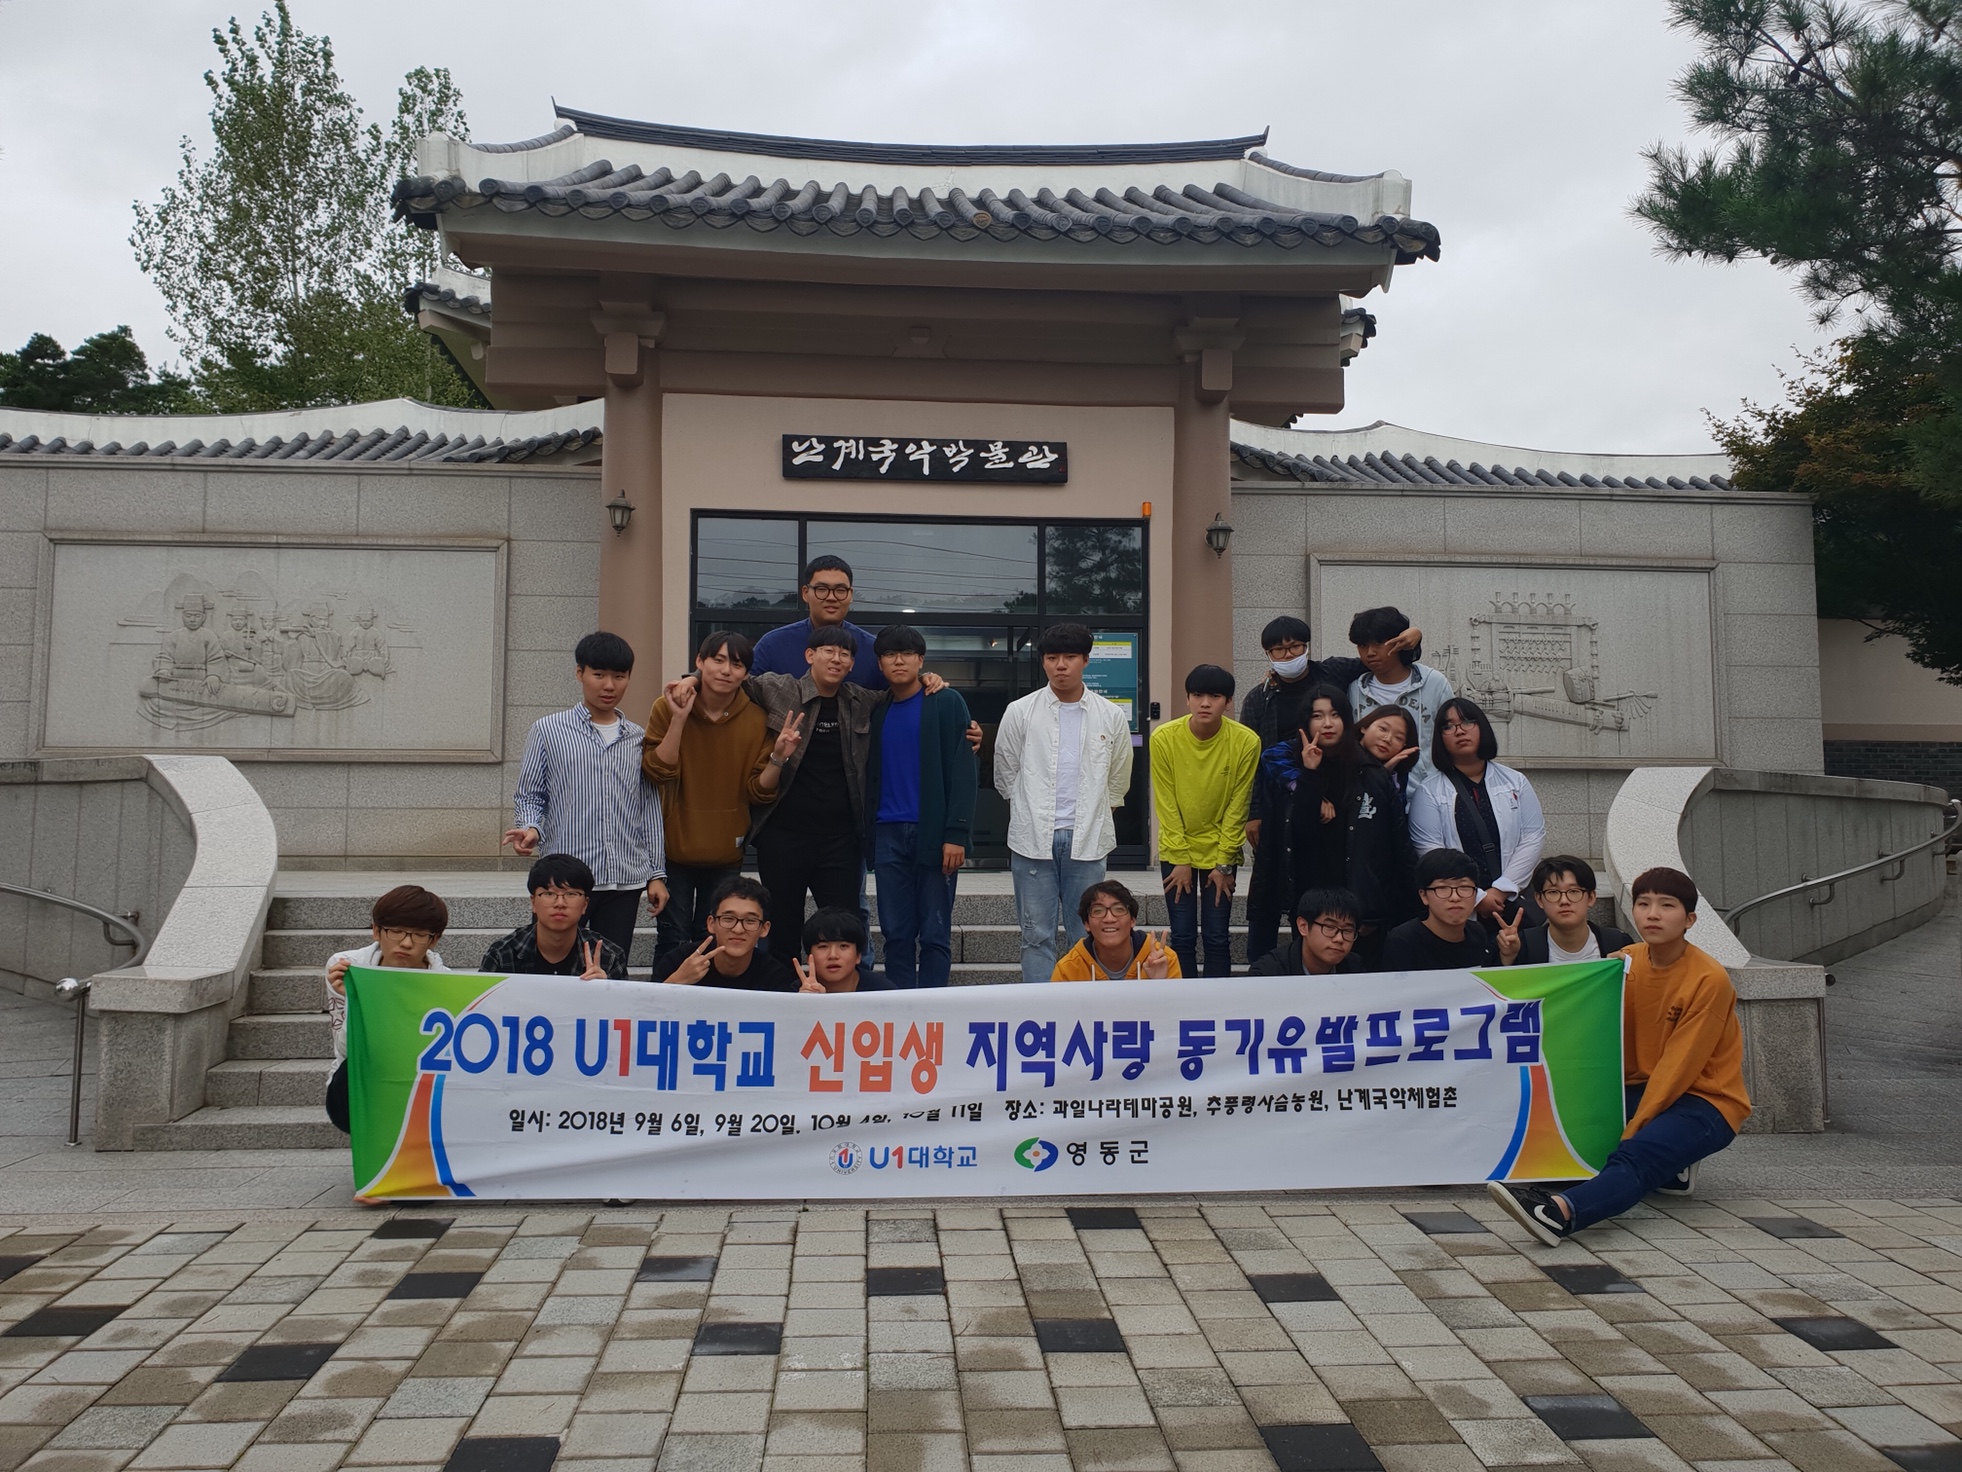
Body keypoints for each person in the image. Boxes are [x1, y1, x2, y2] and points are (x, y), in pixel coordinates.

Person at [1489, 866, 1750, 1243]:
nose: (1653, 914)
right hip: (1640, 1087)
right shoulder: (1626, 961)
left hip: (1706, 1100)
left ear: (1690, 920)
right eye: (1643, 904)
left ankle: (1559, 1214)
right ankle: (1673, 1166)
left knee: (1634, 1155)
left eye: (1667, 905)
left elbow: (1677, 1069)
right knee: (1574, 1135)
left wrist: (1635, 1129)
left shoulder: (1709, 980)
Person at [1241, 614, 1420, 964]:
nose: (1287, 655)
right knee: (1274, 893)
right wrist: (1264, 807)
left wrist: (1414, 639)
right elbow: (1258, 760)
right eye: (1278, 650)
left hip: (1335, 802)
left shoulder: (1332, 673)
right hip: (1284, 797)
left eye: (1294, 647)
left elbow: (1379, 658)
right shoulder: (1260, 697)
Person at [504, 631, 669, 961]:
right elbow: (530, 794)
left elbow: (649, 809)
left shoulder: (638, 738)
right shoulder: (548, 730)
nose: (609, 685)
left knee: (611, 967)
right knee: (551, 963)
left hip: (624, 878)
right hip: (564, 881)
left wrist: (656, 874)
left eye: (619, 676)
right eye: (599, 674)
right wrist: (531, 828)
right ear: (579, 673)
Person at [995, 623, 1136, 984]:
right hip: (1032, 839)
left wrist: (1095, 815)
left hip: (1087, 839)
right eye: (1052, 657)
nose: (1060, 665)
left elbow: (1118, 778)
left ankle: (1084, 1006)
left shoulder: (1110, 715)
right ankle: (1041, 1008)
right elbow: (1005, 772)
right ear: (1042, 661)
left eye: (1070, 657)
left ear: (1086, 660)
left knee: (1087, 934)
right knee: (1035, 935)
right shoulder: (1020, 711)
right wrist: (1028, 811)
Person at [642, 632, 799, 956]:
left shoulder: (756, 719)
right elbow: (656, 771)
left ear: (746, 674)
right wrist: (679, 719)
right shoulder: (667, 706)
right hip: (673, 849)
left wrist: (778, 758)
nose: (727, 670)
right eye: (718, 660)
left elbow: (758, 792)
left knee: (715, 940)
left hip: (727, 852)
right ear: (699, 662)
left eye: (737, 664)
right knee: (672, 939)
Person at [744, 626, 878, 963]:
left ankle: (839, 994)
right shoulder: (779, 688)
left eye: (844, 654)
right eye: (828, 651)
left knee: (842, 930)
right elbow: (730, 680)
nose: (836, 659)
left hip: (840, 841)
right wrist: (690, 681)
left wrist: (931, 682)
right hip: (783, 837)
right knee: (782, 930)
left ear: (851, 664)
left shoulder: (860, 701)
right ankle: (784, 991)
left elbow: (904, 696)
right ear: (809, 655)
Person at [867, 625, 977, 989]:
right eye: (889, 654)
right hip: (887, 833)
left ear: (921, 660)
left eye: (907, 654)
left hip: (934, 831)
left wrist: (956, 833)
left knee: (934, 932)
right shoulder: (877, 708)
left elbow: (963, 769)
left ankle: (933, 1009)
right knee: (895, 931)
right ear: (880, 663)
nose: (898, 661)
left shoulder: (946, 702)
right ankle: (898, 1007)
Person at [1288, 688, 1417, 970]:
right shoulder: (1292, 765)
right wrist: (1309, 776)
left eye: (1335, 715)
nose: (1327, 723)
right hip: (1315, 911)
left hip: (1365, 916)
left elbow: (1397, 847)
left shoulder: (1374, 774)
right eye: (1318, 716)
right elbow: (1297, 836)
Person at [1151, 664, 1260, 979]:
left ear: (1228, 702)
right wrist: (1180, 858)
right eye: (1198, 695)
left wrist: (1224, 861)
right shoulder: (1163, 738)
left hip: (1221, 851)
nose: (1205, 703)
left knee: (1216, 936)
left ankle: (1217, 1002)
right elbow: (1166, 802)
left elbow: (1238, 804)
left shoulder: (1246, 741)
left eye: (1215, 696)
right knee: (1182, 935)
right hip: (1177, 849)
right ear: (1187, 698)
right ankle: (1184, 1000)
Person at [1408, 697, 1546, 928]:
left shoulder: (1516, 781)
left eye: (1467, 721)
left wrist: (1501, 890)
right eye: (1448, 726)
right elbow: (1430, 850)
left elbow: (1533, 837)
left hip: (1511, 903)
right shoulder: (1429, 791)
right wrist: (1477, 897)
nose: (1459, 730)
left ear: (1482, 726)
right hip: (1458, 908)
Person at [323, 885, 451, 1134]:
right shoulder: (348, 967)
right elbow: (346, 1050)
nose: (406, 942)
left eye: (419, 935)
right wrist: (355, 1000)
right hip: (364, 1073)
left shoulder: (445, 982)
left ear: (434, 940)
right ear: (376, 931)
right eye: (396, 931)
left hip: (418, 1077)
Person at [1346, 607, 1456, 785]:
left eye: (1379, 643)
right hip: (1371, 790)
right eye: (1362, 645)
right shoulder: (1354, 689)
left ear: (1400, 642)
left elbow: (1452, 733)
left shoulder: (1433, 683)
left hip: (1426, 789)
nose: (1370, 652)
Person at [480, 854, 627, 980]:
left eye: (571, 894)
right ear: (533, 902)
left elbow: (623, 1004)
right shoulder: (503, 953)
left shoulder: (609, 957)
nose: (560, 903)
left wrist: (605, 990)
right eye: (549, 894)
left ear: (585, 905)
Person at [750, 554, 885, 689]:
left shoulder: (873, 650)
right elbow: (745, 691)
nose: (831, 597)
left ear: (850, 595)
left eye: (840, 590)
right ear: (805, 593)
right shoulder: (773, 645)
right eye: (821, 589)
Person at [651, 876, 800, 992]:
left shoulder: (774, 976)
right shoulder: (678, 962)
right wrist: (676, 981)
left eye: (750, 921)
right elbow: (646, 1010)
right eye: (728, 919)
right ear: (711, 923)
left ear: (764, 929)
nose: (738, 929)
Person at [1381, 849, 1518, 971]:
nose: (1455, 897)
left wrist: (1507, 956)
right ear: (1424, 896)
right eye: (1442, 888)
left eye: (1464, 887)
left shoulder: (1477, 933)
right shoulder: (1403, 941)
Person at [1512, 856, 1633, 965]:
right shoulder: (1523, 946)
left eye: (1574, 891)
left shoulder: (1619, 943)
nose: (1564, 901)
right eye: (1553, 892)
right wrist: (1508, 958)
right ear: (1539, 899)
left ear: (1591, 898)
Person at [1052, 881, 1180, 981]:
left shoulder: (1163, 960)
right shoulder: (1068, 969)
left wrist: (1159, 985)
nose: (1109, 919)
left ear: (1132, 920)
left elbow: (1177, 1006)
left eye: (1119, 910)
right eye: (1098, 911)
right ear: (1087, 924)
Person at [1248, 887, 1367, 976]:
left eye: (1347, 930)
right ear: (1303, 926)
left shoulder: (1354, 968)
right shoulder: (1268, 973)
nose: (1339, 939)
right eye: (1330, 927)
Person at [793, 908, 897, 993]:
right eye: (823, 947)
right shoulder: (796, 994)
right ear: (809, 957)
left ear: (858, 956)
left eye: (843, 946)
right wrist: (805, 1004)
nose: (833, 955)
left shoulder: (883, 992)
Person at [1357, 704, 1424, 802]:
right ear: (1365, 727)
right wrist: (1382, 773)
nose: (1388, 739)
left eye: (1398, 738)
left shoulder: (1397, 774)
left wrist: (1386, 773)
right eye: (1383, 729)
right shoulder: (1342, 757)